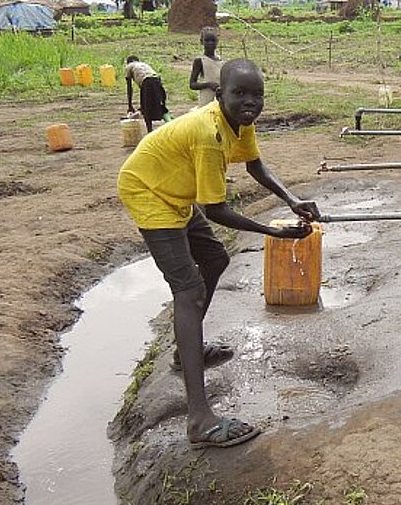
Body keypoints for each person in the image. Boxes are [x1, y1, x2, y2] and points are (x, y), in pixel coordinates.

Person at [117, 58, 320, 448]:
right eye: (239, 94)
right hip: (148, 190)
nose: (250, 102)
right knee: (188, 291)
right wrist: (274, 232)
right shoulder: (209, 134)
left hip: (175, 189)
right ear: (219, 95)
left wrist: (292, 199)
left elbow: (255, 165)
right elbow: (216, 210)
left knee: (215, 259)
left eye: (256, 94)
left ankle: (185, 352)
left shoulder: (239, 123)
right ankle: (199, 420)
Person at [125, 55, 169, 133]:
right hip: (157, 81)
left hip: (147, 82)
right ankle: (170, 124)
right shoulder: (144, 64)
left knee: (146, 109)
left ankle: (150, 132)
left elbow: (129, 88)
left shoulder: (129, 66)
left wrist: (130, 105)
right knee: (161, 106)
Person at [189, 26, 223, 108]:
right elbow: (192, 84)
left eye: (213, 40)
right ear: (201, 42)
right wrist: (208, 85)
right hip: (206, 100)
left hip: (220, 99)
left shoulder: (221, 61)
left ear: (217, 41)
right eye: (207, 40)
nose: (210, 43)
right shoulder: (200, 60)